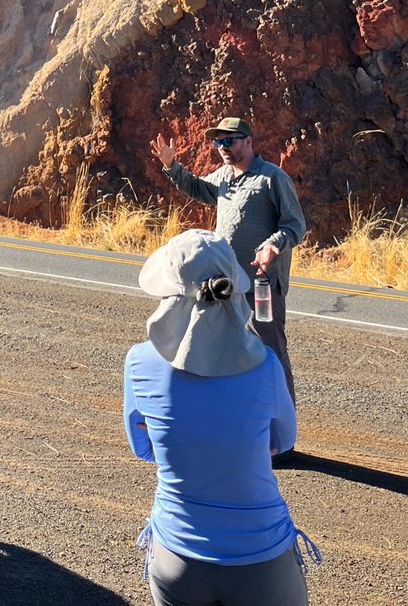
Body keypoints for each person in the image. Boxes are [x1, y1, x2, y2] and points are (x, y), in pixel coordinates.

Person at [124, 230, 315, 606]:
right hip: (260, 557)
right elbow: (282, 442)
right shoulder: (264, 365)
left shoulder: (139, 362)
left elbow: (142, 448)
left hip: (175, 553)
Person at [151, 117, 306, 413]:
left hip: (261, 285)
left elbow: (295, 224)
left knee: (270, 350)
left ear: (248, 142)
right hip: (226, 286)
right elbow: (197, 189)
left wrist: (273, 244)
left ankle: (282, 426)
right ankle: (241, 420)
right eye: (218, 142)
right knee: (227, 349)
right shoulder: (223, 177)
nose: (222, 147)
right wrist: (171, 166)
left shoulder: (272, 178)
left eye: (229, 141)